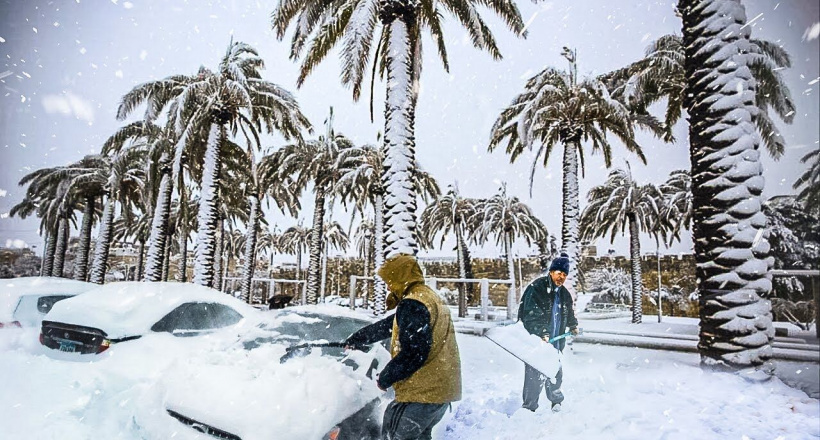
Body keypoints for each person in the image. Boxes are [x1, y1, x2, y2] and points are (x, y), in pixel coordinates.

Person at [343, 253, 462, 440]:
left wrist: (386, 377)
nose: (388, 287)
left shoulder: (413, 304)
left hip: (421, 394)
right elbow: (391, 325)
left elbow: (414, 352)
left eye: (390, 281)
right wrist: (359, 338)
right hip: (439, 392)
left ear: (401, 277)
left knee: (392, 434)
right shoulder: (426, 297)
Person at [518, 252, 579, 413]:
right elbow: (530, 314)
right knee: (534, 376)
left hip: (555, 343)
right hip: (537, 342)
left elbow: (569, 313)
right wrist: (542, 331)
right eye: (559, 273)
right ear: (551, 272)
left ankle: (556, 402)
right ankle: (529, 407)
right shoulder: (537, 288)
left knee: (555, 374)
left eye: (564, 275)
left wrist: (573, 325)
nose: (561, 277)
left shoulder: (564, 294)